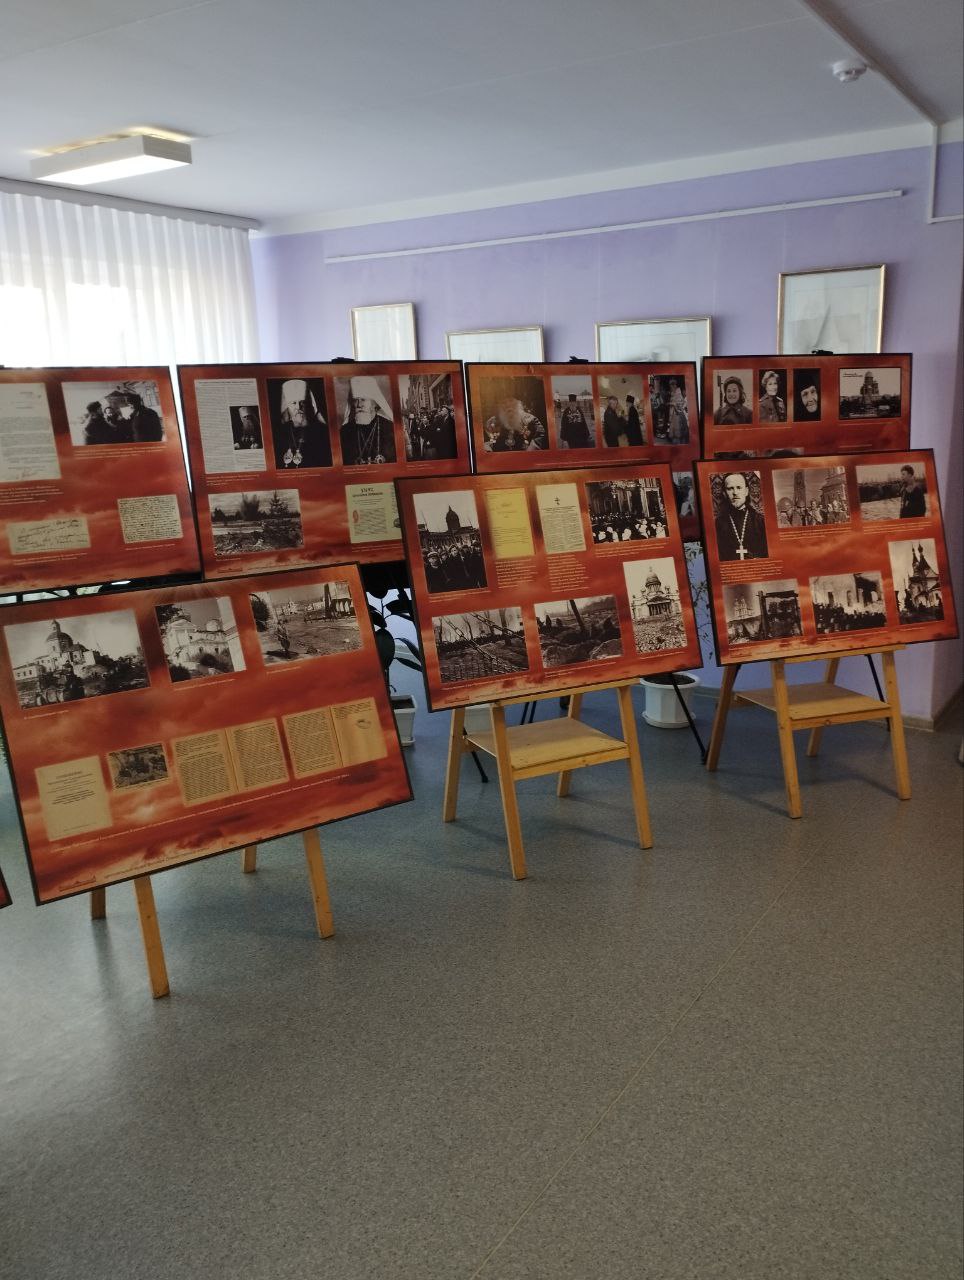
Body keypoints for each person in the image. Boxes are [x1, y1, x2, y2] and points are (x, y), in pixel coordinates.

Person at [274, 379, 332, 468]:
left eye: (303, 402)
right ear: (287, 406)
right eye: (293, 403)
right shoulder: (280, 432)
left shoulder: (322, 431)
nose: (298, 407)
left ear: (309, 404)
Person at [340, 376, 396, 464]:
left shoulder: (390, 428)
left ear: (375, 403)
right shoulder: (345, 431)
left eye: (363, 399)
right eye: (355, 400)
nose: (359, 405)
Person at [714, 472, 769, 561]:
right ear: (724, 493)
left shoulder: (760, 521)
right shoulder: (718, 523)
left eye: (739, 487)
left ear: (746, 491)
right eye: (730, 488)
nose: (735, 493)